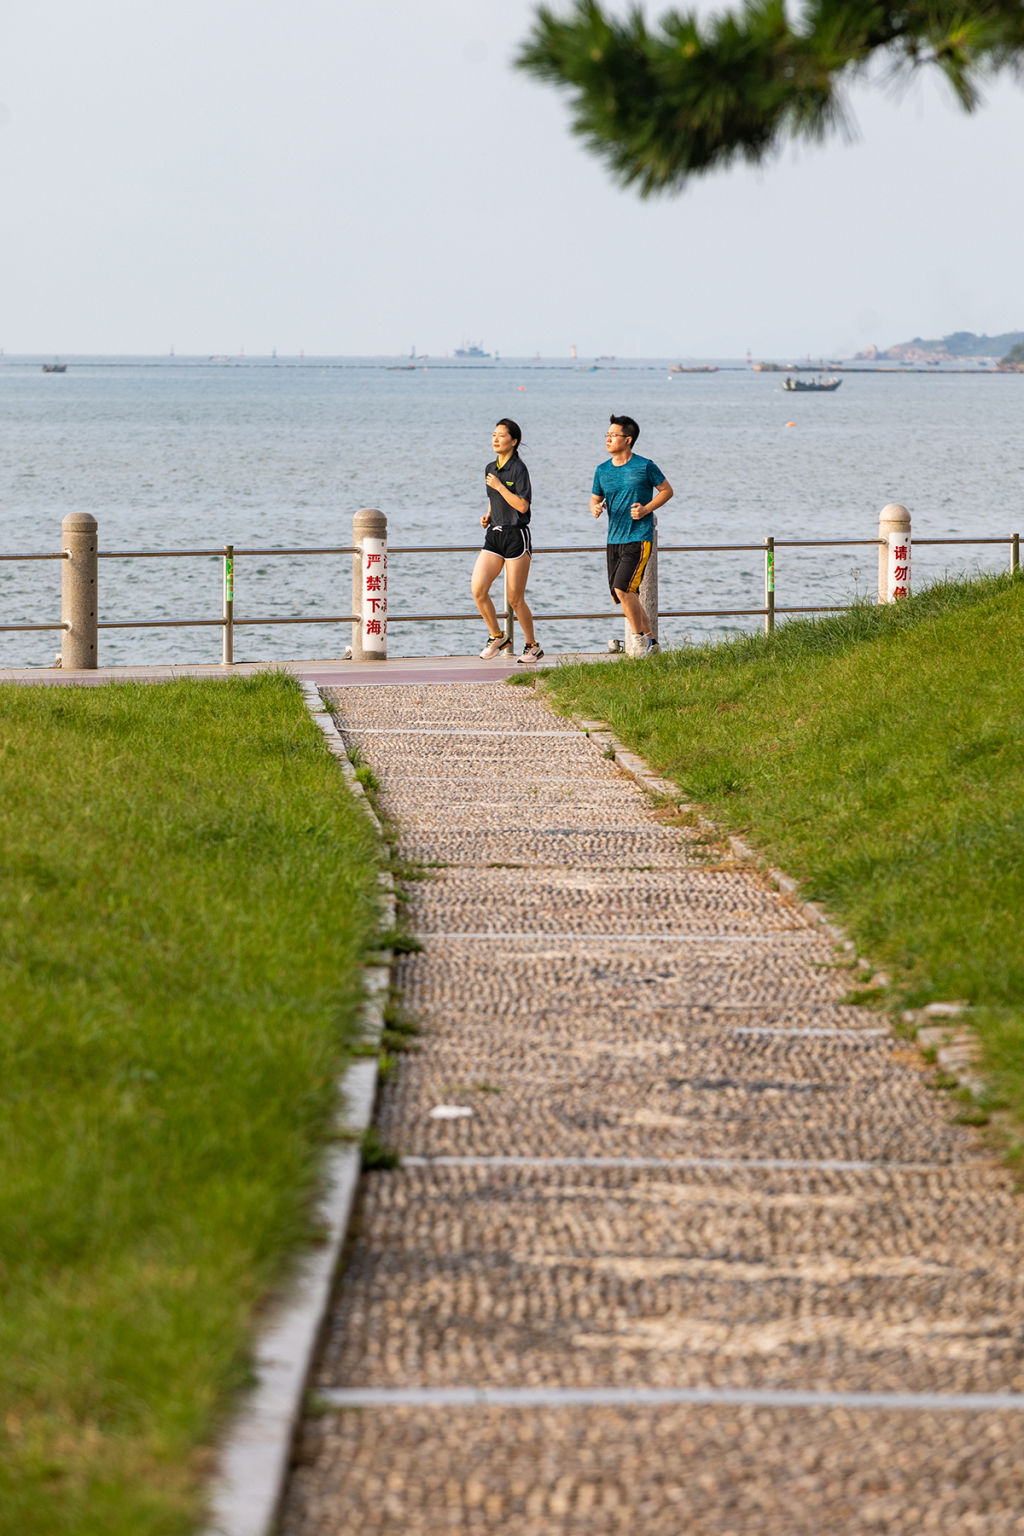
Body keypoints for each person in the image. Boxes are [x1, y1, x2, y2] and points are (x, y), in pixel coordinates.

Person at [591, 414, 673, 655]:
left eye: (612, 435)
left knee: (622, 588)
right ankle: (652, 644)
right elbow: (595, 498)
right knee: (628, 594)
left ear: (627, 439)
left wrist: (647, 508)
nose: (607, 439)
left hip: (639, 536)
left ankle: (638, 639)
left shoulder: (645, 465)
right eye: (606, 435)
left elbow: (667, 491)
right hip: (613, 538)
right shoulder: (602, 470)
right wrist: (596, 507)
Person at [472, 418, 543, 663]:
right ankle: (497, 636)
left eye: (501, 435)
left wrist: (501, 487)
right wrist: (489, 515)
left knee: (515, 598)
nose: (495, 439)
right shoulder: (490, 468)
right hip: (494, 534)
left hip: (516, 536)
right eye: (493, 434)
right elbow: (494, 498)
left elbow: (522, 505)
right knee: (478, 589)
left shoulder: (519, 469)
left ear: (513, 441)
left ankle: (532, 646)